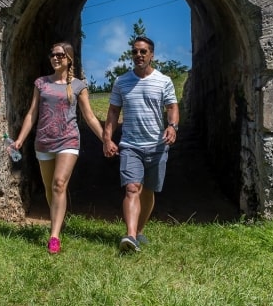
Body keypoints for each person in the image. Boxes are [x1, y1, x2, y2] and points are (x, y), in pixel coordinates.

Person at [10, 41, 107, 255]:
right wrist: (19, 140)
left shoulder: (79, 86)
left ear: (69, 59)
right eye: (53, 54)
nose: (55, 58)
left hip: (68, 140)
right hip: (44, 141)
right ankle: (58, 218)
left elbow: (89, 117)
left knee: (59, 184)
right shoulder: (41, 83)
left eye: (61, 55)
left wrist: (105, 139)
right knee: (49, 188)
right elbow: (32, 113)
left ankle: (54, 236)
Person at [101, 36, 179, 253]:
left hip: (157, 145)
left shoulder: (164, 81)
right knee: (132, 188)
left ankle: (140, 230)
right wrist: (107, 138)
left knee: (149, 191)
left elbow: (172, 107)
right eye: (135, 52)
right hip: (130, 145)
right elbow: (113, 112)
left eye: (143, 52)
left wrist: (172, 127)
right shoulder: (121, 82)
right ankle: (131, 235)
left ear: (151, 54)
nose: (139, 55)